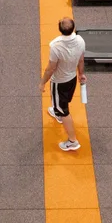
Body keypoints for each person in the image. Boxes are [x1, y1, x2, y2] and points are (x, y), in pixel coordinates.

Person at [41, 17, 87, 152]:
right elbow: (81, 59)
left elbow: (51, 68)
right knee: (64, 102)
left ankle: (72, 141)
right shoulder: (80, 40)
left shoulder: (56, 46)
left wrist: (42, 82)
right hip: (72, 79)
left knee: (63, 109)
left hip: (59, 82)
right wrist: (81, 74)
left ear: (59, 29)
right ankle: (59, 114)